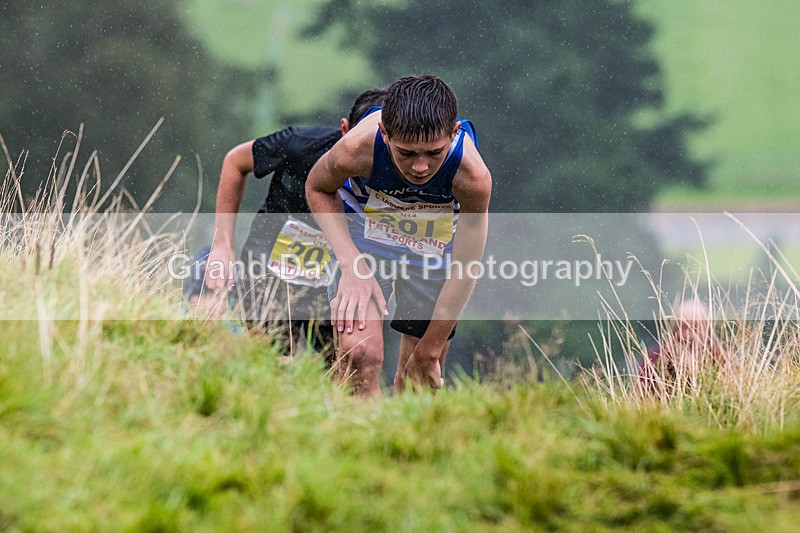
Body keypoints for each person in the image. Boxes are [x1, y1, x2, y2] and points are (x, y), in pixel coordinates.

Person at [306, 74, 492, 396]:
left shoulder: (472, 176)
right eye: (406, 154)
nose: (420, 167)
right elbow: (317, 187)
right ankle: (354, 436)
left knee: (418, 380)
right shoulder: (356, 149)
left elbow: (465, 267)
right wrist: (351, 265)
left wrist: (430, 351)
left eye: (434, 153)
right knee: (359, 356)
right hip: (365, 235)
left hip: (433, 248)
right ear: (385, 133)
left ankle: (403, 444)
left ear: (454, 133)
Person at [204, 88, 386, 356]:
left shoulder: (399, 172)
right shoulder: (300, 144)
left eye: (378, 148)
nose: (366, 156)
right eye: (361, 143)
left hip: (337, 272)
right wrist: (222, 245)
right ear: (345, 129)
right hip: (269, 260)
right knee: (269, 357)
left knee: (344, 364)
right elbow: (235, 161)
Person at [639, 298, 726, 394]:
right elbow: (641, 396)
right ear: (673, 329)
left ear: (707, 330)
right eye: (683, 327)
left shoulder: (720, 358)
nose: (688, 335)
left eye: (695, 328)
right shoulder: (654, 358)